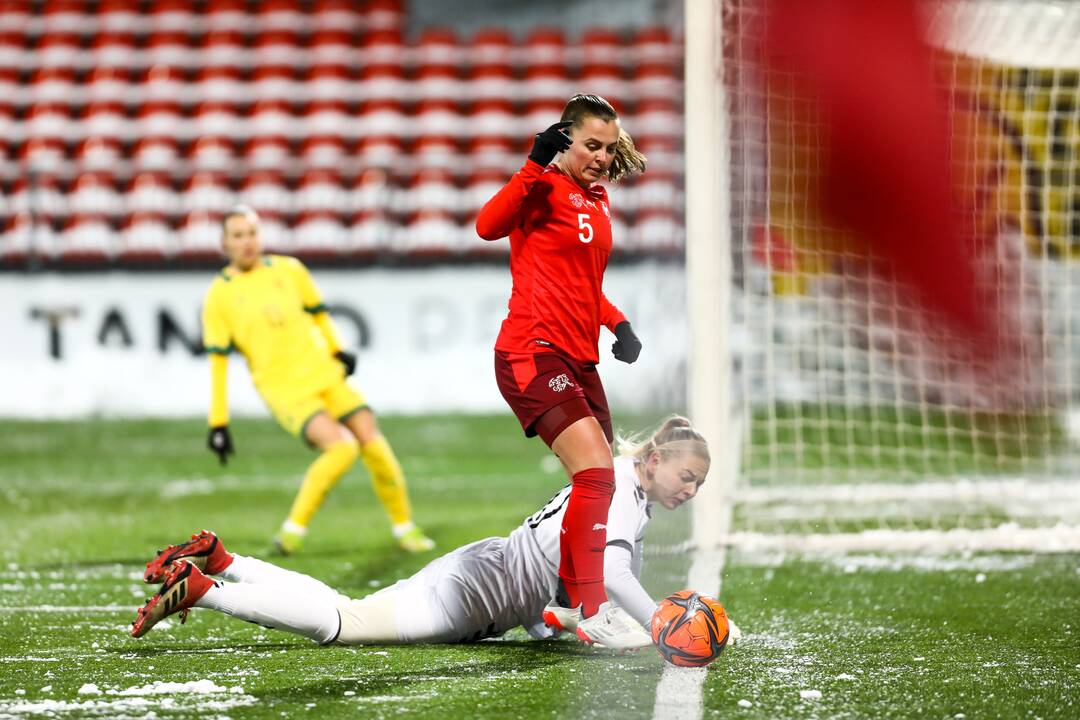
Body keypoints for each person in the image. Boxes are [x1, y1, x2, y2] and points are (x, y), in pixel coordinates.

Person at [131, 417, 716, 652]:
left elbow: (575, 596)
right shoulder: (621, 494)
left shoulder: (619, 488)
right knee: (340, 625)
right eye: (686, 477)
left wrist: (568, 621)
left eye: (698, 484)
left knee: (343, 607)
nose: (690, 490)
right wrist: (663, 622)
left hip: (484, 571)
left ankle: (223, 558)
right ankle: (206, 589)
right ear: (656, 458)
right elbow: (608, 579)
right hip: (477, 592)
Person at [474, 94, 648, 640]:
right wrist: (532, 164)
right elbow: (486, 225)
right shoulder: (542, 186)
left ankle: (567, 600)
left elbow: (584, 287)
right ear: (564, 139)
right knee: (596, 472)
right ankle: (591, 611)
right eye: (590, 145)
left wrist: (616, 322)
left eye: (608, 147)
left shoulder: (597, 201)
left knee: (600, 482)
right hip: (532, 351)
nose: (600, 157)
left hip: (579, 357)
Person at [201, 205, 435, 555]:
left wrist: (338, 349)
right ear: (224, 242)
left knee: (373, 441)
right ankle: (292, 531)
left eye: (252, 233)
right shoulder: (219, 295)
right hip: (285, 390)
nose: (247, 242)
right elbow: (218, 362)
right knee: (341, 447)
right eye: (238, 235)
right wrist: (218, 423)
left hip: (323, 372)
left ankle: (405, 528)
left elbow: (320, 316)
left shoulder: (289, 269)